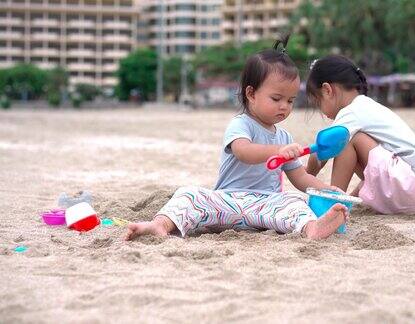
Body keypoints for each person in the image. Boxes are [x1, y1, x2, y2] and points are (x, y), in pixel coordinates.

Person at [125, 35, 348, 241]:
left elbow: (300, 177)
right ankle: (160, 224)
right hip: (227, 203)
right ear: (251, 94)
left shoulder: (283, 136)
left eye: (290, 101)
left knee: (294, 201)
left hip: (264, 207)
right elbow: (243, 151)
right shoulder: (240, 124)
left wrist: (325, 189)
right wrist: (277, 151)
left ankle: (312, 228)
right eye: (276, 98)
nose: (284, 106)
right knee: (188, 194)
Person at [305, 55, 415, 215]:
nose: (322, 112)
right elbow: (372, 168)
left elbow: (323, 150)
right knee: (358, 144)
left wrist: (305, 175)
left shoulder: (352, 111)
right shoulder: (367, 106)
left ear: (327, 90)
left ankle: (333, 206)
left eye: (318, 103)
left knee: (347, 140)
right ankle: (345, 202)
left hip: (409, 185)